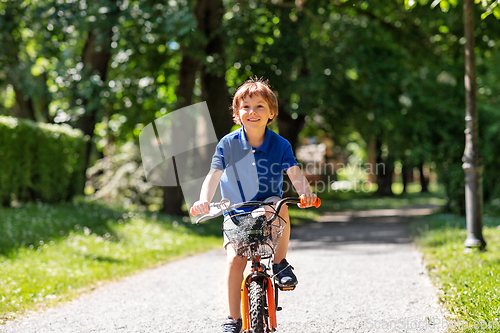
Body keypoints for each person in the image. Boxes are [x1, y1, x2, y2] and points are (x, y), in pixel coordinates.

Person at [190, 77, 317, 333]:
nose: (253, 112)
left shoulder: (280, 145)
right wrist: (204, 199)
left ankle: (280, 263)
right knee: (235, 261)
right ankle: (233, 319)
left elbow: (293, 171)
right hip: (236, 209)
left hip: (268, 208)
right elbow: (213, 175)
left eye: (260, 106)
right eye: (246, 106)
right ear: (237, 113)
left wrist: (307, 193)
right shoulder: (228, 143)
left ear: (272, 113)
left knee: (280, 204)